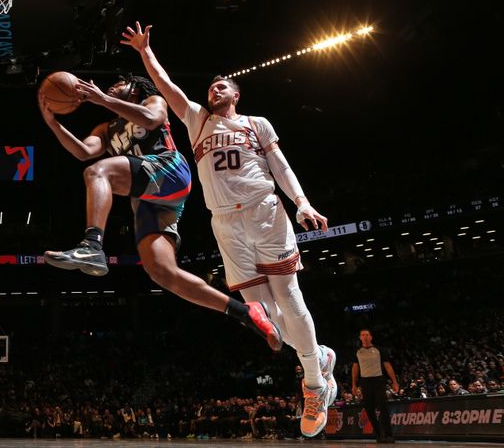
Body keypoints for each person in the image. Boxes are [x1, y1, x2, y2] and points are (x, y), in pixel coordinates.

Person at [121, 22, 336, 438]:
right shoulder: (197, 120)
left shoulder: (257, 124)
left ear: (237, 95)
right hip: (225, 224)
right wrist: (145, 52)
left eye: (223, 87)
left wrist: (302, 203)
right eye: (212, 87)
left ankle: (313, 384)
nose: (215, 91)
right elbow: (166, 87)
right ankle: (319, 357)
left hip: (264, 212)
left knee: (289, 301)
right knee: (265, 319)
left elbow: (280, 167)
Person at [40, 74, 282, 349]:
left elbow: (151, 120)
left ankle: (92, 244)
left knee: (98, 171)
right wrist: (54, 123)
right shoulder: (106, 129)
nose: (111, 86)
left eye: (119, 83)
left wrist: (103, 99)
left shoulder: (153, 101)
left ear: (134, 89)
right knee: (161, 272)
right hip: (147, 198)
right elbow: (84, 150)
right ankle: (246, 312)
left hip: (169, 170)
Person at [351, 329, 399, 443]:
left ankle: (388, 434)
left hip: (378, 380)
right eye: (363, 335)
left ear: (371, 337)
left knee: (383, 407)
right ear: (360, 338)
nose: (365, 337)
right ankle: (379, 434)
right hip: (365, 382)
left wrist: (394, 381)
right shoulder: (357, 351)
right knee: (369, 409)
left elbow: (387, 366)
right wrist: (354, 384)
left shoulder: (379, 350)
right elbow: (355, 368)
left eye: (367, 335)